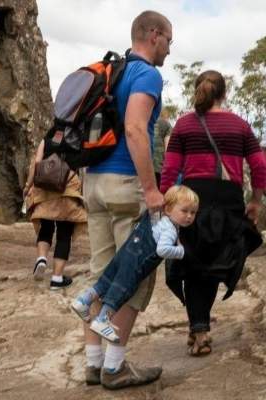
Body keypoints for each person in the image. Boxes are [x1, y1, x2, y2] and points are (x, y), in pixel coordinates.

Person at [82, 10, 172, 390]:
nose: (170, 46)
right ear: (154, 35)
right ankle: (115, 368)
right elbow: (136, 128)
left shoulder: (110, 70)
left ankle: (92, 363)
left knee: (102, 273)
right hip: (125, 184)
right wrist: (151, 190)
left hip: (94, 182)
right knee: (135, 275)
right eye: (169, 38)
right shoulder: (146, 74)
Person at [160, 70, 266, 356]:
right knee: (218, 261)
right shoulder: (240, 126)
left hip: (193, 198)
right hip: (229, 199)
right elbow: (259, 165)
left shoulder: (184, 125)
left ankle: (199, 327)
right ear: (224, 93)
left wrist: (166, 204)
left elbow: (170, 169)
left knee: (194, 262)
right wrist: (255, 200)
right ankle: (199, 327)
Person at [72, 185, 198, 343]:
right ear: (168, 209)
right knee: (122, 289)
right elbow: (162, 250)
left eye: (193, 212)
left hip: (127, 251)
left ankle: (83, 301)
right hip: (137, 262)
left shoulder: (157, 216)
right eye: (184, 211)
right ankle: (102, 320)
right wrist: (180, 251)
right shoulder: (170, 230)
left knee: (107, 279)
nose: (189, 216)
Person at [23, 127, 87, 290]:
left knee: (46, 226)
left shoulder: (49, 136)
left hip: (46, 187)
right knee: (64, 234)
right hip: (69, 188)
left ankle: (41, 259)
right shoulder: (79, 137)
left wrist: (28, 185)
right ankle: (57, 278)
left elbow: (37, 162)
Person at [153, 109, 172, 186]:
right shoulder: (167, 124)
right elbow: (168, 147)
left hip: (144, 165)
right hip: (158, 164)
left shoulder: (147, 122)